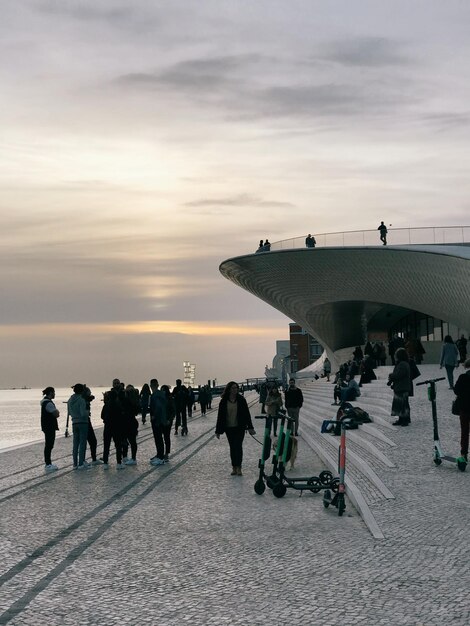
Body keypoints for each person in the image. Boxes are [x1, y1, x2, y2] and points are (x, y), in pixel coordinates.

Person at [215, 381, 255, 476]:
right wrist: (218, 431)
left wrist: (250, 427)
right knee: (232, 447)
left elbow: (246, 414)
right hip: (229, 428)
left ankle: (239, 467)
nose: (235, 390)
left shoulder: (241, 400)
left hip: (239, 427)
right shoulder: (224, 401)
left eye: (236, 388)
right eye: (233, 388)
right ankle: (234, 467)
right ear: (229, 389)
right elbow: (220, 417)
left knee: (238, 446)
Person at [101, 390, 125, 469]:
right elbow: (121, 416)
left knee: (106, 445)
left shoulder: (106, 405)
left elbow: (102, 416)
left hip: (107, 427)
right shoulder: (118, 405)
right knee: (118, 445)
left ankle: (105, 462)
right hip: (116, 427)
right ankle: (119, 462)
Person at [67, 383, 89, 469]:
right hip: (83, 422)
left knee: (75, 443)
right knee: (82, 443)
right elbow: (83, 413)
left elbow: (69, 412)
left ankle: (75, 463)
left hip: (74, 422)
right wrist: (87, 413)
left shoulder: (70, 400)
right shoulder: (81, 400)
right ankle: (81, 463)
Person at [388, 348, 412, 426]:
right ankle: (401, 419)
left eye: (396, 355)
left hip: (402, 387)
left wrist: (391, 375)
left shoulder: (402, 364)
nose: (395, 357)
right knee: (400, 404)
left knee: (403, 405)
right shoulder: (401, 363)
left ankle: (405, 420)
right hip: (400, 387)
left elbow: (399, 375)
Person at [453, 358, 470, 463]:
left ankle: (464, 453)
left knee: (464, 432)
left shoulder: (463, 377)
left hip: (464, 409)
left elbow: (456, 391)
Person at [40, 386, 60, 472]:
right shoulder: (48, 403)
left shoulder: (45, 402)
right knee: (49, 445)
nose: (54, 394)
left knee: (49, 445)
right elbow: (56, 414)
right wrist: (57, 411)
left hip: (46, 426)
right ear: (50, 393)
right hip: (49, 427)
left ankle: (48, 463)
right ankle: (48, 464)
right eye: (54, 392)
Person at [149, 379, 167, 466]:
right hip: (162, 419)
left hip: (157, 420)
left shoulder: (155, 395)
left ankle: (160, 457)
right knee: (159, 438)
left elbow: (158, 407)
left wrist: (154, 416)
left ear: (151, 386)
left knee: (158, 438)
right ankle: (159, 454)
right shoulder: (161, 394)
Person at [83, 385, 102, 465]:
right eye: (89, 391)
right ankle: (92, 459)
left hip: (81, 422)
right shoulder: (84, 401)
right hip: (85, 422)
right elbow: (90, 398)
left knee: (84, 441)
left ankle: (83, 459)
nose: (90, 393)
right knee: (92, 441)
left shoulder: (82, 400)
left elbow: (91, 398)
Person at [122, 384, 140, 464]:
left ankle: (126, 456)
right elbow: (136, 412)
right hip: (132, 422)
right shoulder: (135, 401)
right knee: (132, 441)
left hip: (127, 422)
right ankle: (133, 457)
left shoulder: (126, 401)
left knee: (126, 440)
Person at [160, 385, 175, 461]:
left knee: (166, 437)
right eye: (161, 390)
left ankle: (167, 453)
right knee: (160, 438)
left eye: (164, 390)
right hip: (161, 420)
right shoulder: (160, 399)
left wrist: (170, 419)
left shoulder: (170, 399)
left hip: (168, 420)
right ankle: (160, 452)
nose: (163, 391)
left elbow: (173, 411)